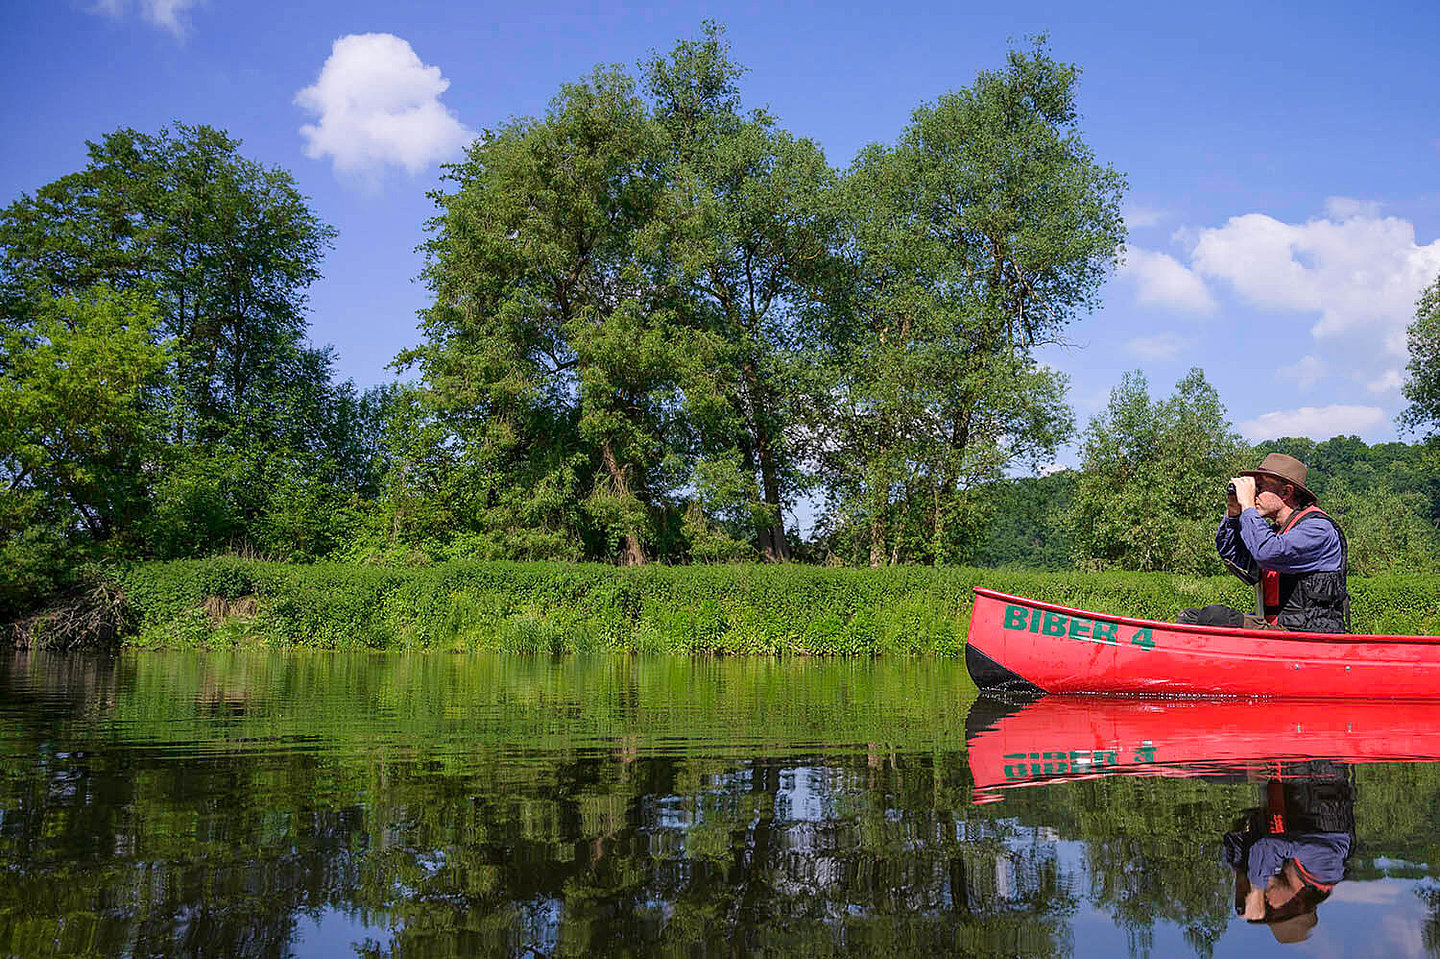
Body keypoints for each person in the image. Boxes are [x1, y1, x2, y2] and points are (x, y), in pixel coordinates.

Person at [1178, 453, 1350, 632]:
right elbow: (1234, 556)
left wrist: (1248, 507)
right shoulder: (1276, 532)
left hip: (1310, 635)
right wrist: (1234, 512)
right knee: (1192, 617)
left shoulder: (1318, 529)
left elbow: (1267, 552)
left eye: (1259, 488)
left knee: (1215, 616)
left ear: (1286, 492)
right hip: (1277, 629)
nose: (1254, 495)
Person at [1223, 761, 1355, 944]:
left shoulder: (1284, 860)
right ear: (1299, 903)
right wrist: (1256, 889)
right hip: (1314, 752)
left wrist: (1242, 878)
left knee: (1201, 773)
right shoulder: (1327, 870)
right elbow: (1268, 847)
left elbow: (1234, 838)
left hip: (1281, 760)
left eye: (1263, 906)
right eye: (1271, 910)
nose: (1264, 902)